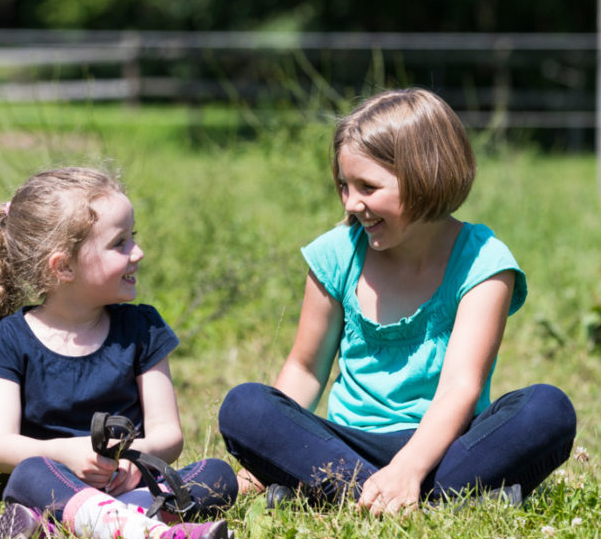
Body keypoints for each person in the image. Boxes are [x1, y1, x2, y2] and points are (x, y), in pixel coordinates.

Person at [219, 88, 577, 515]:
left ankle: (335, 494)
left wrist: (408, 467)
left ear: (426, 175)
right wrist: (259, 464)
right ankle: (442, 502)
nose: (353, 204)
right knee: (245, 406)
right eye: (343, 186)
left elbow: (461, 387)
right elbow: (304, 369)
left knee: (547, 409)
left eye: (368, 186)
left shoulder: (483, 261)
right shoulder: (336, 254)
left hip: (447, 445)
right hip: (346, 442)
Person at [0, 167, 237, 539]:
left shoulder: (141, 328)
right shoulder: (10, 338)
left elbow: (168, 435)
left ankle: (75, 528)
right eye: (119, 244)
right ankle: (161, 536)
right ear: (64, 267)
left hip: (130, 483)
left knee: (218, 474)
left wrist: (131, 463)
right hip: (53, 482)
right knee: (28, 474)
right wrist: (71, 456)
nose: (138, 253)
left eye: (134, 238)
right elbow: (1, 447)